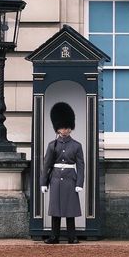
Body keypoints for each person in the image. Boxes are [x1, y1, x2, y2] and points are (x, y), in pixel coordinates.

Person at [40, 101, 84, 245]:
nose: (64, 130)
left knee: (70, 209)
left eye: (66, 127)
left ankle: (72, 236)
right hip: (56, 178)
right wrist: (43, 182)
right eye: (62, 127)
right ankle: (54, 236)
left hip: (70, 179)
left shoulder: (77, 145)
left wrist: (79, 183)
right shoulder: (52, 145)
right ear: (58, 129)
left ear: (70, 128)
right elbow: (46, 165)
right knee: (56, 209)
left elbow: (81, 165)